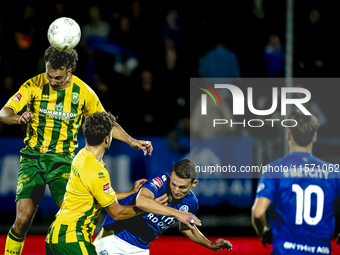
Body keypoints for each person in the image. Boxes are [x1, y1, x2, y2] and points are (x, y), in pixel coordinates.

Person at [0, 46, 153, 255]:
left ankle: (74, 246)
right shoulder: (33, 84)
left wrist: (131, 141)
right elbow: (3, 112)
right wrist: (18, 118)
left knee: (76, 208)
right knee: (22, 219)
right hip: (32, 158)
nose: (52, 81)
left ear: (69, 71)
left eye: (58, 77)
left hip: (62, 160)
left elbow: (106, 121)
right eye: (49, 75)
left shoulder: (83, 91)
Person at [45, 111, 154, 254]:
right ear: (107, 139)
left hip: (56, 236)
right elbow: (117, 213)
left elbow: (98, 195)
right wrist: (148, 208)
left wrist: (130, 193)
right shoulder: (96, 171)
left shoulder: (82, 156)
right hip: (72, 239)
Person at [94, 159, 233, 254]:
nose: (176, 190)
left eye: (182, 187)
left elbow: (186, 228)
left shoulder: (191, 203)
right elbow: (141, 201)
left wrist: (209, 244)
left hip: (140, 249)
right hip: (114, 238)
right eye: (174, 184)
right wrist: (177, 214)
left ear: (194, 184)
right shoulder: (161, 180)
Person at [252, 110, 340, 255]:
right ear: (314, 136)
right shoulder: (332, 172)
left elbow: (258, 212)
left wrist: (264, 232)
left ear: (289, 135)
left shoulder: (274, 169)